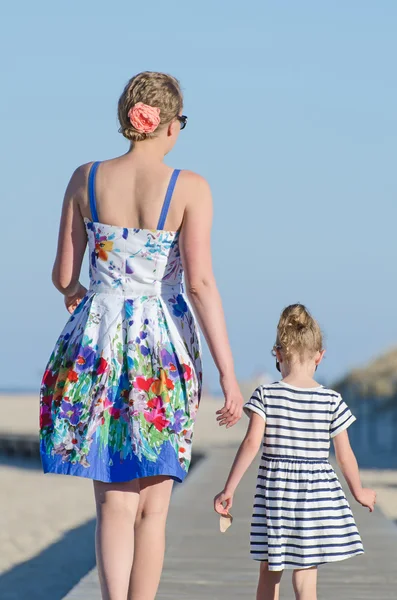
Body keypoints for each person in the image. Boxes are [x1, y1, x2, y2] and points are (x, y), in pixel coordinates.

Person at [40, 71, 244, 600]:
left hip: (98, 344)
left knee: (112, 503)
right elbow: (199, 283)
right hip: (160, 348)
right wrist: (227, 372)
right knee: (153, 507)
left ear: (129, 119)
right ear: (169, 124)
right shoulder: (190, 187)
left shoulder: (85, 178)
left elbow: (63, 274)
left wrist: (80, 289)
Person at [214, 304, 376, 600]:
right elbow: (344, 455)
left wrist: (229, 488)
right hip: (315, 495)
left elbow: (251, 444)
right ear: (320, 355)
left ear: (277, 354)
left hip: (277, 494)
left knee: (270, 570)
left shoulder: (267, 394)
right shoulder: (331, 400)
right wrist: (359, 491)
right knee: (305, 575)